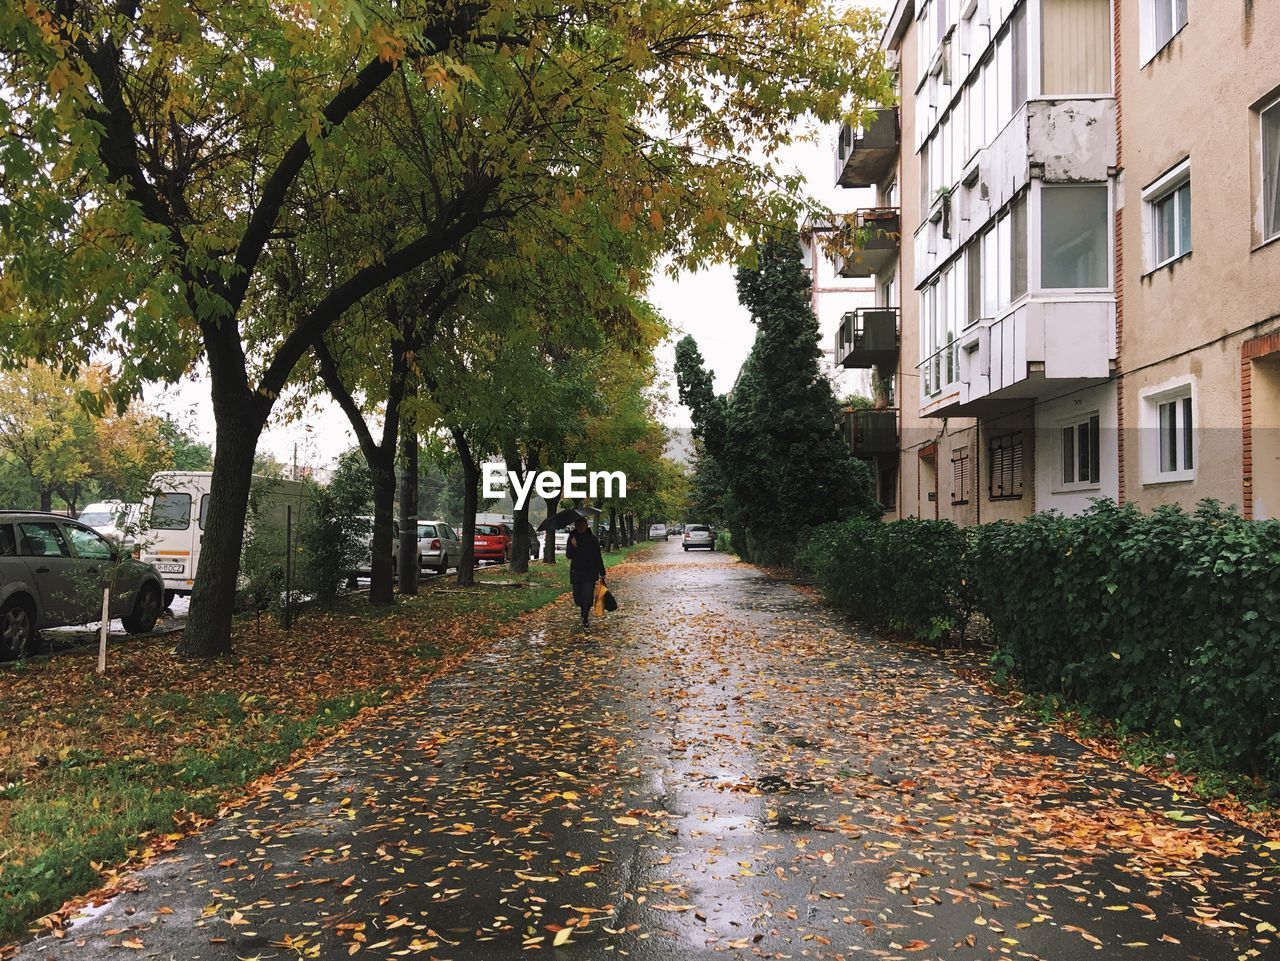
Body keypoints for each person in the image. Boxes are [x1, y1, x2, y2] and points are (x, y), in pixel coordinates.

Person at [565, 516, 606, 627]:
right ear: (576, 526)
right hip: (576, 572)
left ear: (586, 525)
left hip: (590, 572)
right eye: (579, 525)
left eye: (583, 525)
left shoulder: (592, 539)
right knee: (578, 598)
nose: (581, 527)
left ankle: (585, 616)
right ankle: (583, 609)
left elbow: (598, 556)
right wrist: (573, 546)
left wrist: (602, 572)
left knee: (587, 596)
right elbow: (569, 555)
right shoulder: (572, 538)